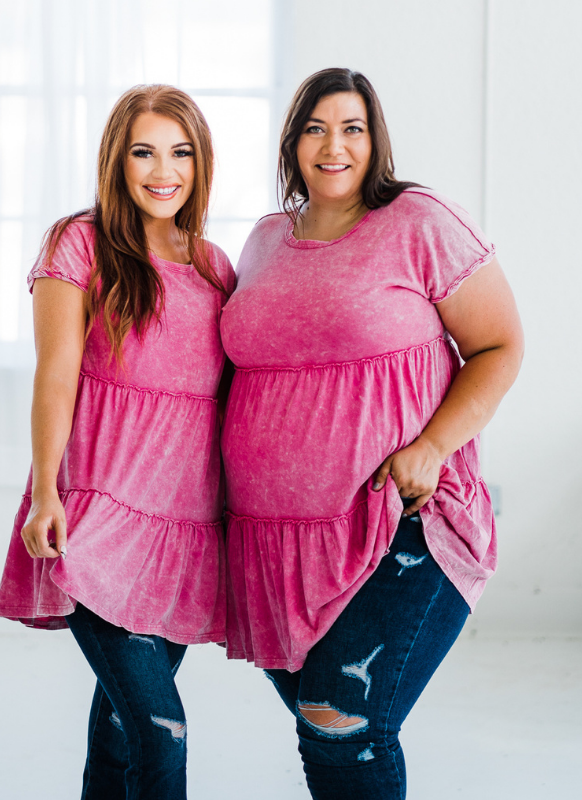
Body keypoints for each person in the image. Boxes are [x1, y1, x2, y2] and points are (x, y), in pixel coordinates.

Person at [220, 68, 524, 799]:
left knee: (341, 721)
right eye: (316, 128)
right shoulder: (265, 239)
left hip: (399, 522)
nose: (334, 145)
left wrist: (430, 447)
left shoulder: (420, 222)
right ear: (292, 143)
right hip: (275, 548)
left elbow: (500, 346)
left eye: (352, 128)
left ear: (375, 140)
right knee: (324, 725)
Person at [0, 84, 235, 799]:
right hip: (98, 521)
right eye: (144, 151)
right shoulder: (81, 241)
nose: (164, 170)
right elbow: (55, 376)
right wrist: (45, 492)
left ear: (200, 163)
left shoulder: (214, 266)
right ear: (117, 161)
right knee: (163, 735)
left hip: (184, 535)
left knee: (120, 735)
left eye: (181, 152)